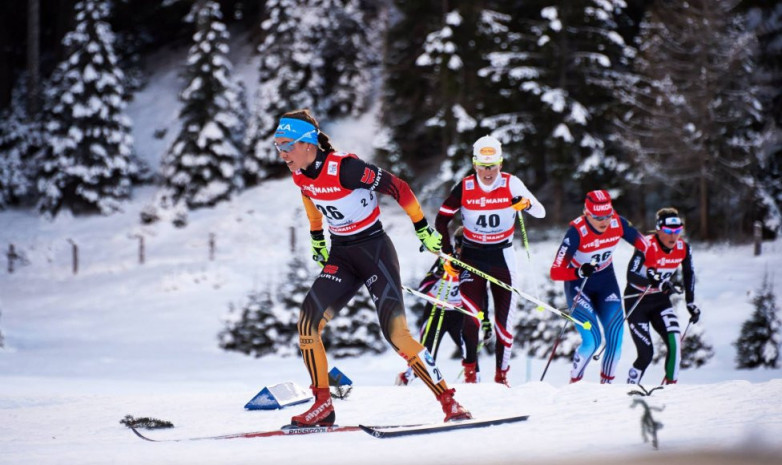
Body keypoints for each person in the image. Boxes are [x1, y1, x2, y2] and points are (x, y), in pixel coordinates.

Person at [274, 109, 471, 426]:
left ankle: (451, 403)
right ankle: (322, 406)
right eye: (277, 146)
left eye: (286, 145)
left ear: (307, 143)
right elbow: (309, 196)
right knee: (308, 324)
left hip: (374, 250)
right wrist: (316, 237)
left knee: (397, 335)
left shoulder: (347, 168)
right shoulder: (299, 172)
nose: (282, 153)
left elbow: (400, 188)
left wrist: (422, 228)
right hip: (342, 255)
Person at [435, 135, 545, 387]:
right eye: (483, 166)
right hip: (472, 256)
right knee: (471, 316)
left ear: (501, 164)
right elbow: (442, 220)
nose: (488, 172)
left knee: (504, 323)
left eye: (493, 165)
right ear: (475, 164)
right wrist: (448, 253)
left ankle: (501, 377)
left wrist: (525, 204)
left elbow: (541, 212)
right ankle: (471, 374)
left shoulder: (512, 183)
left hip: (502, 257)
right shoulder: (464, 186)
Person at [549, 190, 649, 384]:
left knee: (615, 340)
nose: (604, 221)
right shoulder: (576, 231)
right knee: (592, 341)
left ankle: (606, 388)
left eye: (607, 215)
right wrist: (577, 272)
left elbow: (645, 245)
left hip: (606, 282)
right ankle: (575, 384)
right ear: (587, 214)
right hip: (579, 285)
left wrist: (653, 266)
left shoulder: (618, 222)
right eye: (598, 217)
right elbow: (555, 271)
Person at [624, 207, 700, 385]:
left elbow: (689, 274)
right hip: (637, 300)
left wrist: (690, 303)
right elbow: (631, 274)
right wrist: (656, 282)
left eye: (677, 231)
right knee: (646, 354)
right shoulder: (646, 244)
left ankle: (670, 389)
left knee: (675, 342)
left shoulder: (683, 248)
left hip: (660, 301)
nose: (673, 236)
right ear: (658, 229)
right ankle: (629, 389)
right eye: (668, 231)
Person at [396, 227, 467, 386]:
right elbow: (423, 288)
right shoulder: (445, 260)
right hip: (436, 311)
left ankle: (474, 383)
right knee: (426, 354)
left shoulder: (473, 265)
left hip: (458, 313)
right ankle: (407, 378)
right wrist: (440, 271)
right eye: (460, 244)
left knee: (469, 351)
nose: (462, 249)